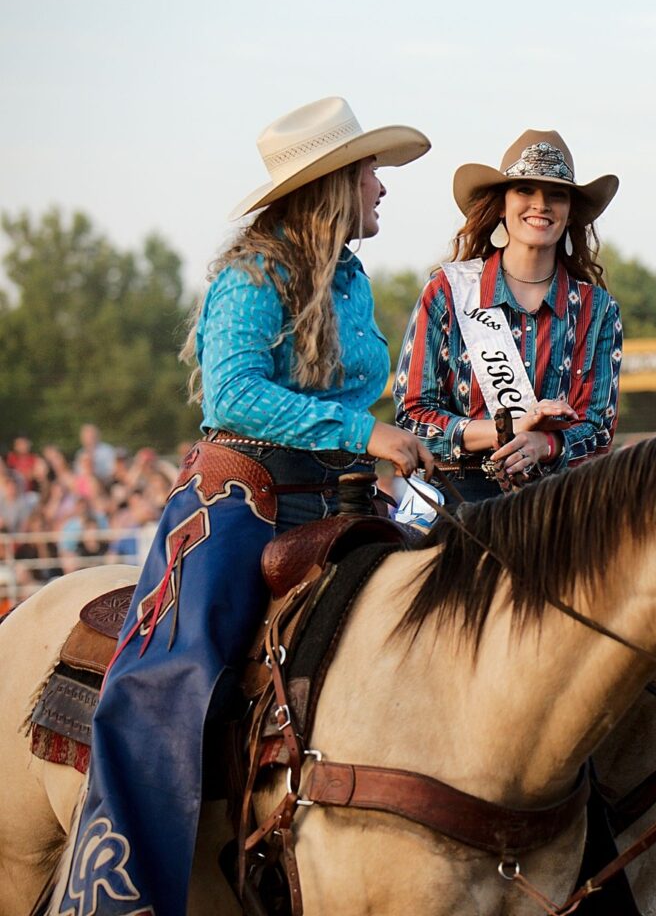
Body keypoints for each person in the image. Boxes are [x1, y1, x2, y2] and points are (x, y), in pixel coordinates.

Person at [55, 97, 433, 916]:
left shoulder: (351, 276)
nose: (382, 187)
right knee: (167, 680)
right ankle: (116, 896)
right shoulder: (253, 272)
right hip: (243, 498)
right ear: (334, 183)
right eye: (370, 171)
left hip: (336, 496)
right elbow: (232, 394)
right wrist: (361, 431)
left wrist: (400, 436)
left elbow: (359, 389)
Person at [395, 129, 623, 503]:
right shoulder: (448, 292)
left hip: (558, 500)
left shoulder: (597, 309)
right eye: (525, 191)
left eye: (556, 195)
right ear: (501, 204)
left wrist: (545, 443)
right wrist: (513, 428)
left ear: (570, 212)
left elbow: (598, 429)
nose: (541, 205)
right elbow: (413, 416)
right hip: (459, 494)